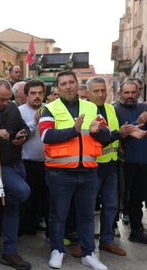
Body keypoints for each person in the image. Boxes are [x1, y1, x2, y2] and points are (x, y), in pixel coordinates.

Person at [39, 70, 110, 270]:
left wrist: (100, 130)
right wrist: (74, 131)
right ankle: (57, 250)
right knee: (58, 215)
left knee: (87, 215)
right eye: (63, 84)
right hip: (60, 172)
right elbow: (46, 135)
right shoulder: (50, 109)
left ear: (78, 84)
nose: (68, 86)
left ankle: (89, 254)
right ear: (57, 88)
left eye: (71, 82)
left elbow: (104, 135)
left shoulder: (90, 107)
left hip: (88, 171)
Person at [87, 76, 136, 256]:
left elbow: (116, 135)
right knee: (87, 207)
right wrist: (118, 134)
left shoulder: (110, 109)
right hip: (91, 167)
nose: (100, 94)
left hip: (110, 166)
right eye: (96, 91)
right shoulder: (85, 110)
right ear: (89, 92)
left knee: (111, 205)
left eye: (103, 90)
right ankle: (83, 242)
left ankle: (107, 241)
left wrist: (129, 132)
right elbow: (99, 137)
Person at [0, 78, 32, 270]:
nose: (5, 103)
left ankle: (9, 251)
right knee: (22, 192)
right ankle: (9, 249)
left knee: (12, 207)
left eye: (8, 99)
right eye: (1, 99)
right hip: (0, 166)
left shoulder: (12, 108)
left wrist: (22, 135)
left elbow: (24, 128)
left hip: (17, 163)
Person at [114, 79, 147, 244]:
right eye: (126, 93)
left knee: (137, 199)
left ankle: (136, 231)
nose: (130, 96)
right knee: (115, 198)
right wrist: (138, 123)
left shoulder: (144, 107)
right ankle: (111, 230)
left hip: (142, 162)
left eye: (133, 92)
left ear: (138, 93)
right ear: (119, 93)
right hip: (123, 163)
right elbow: (117, 134)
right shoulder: (114, 110)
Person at [18, 79, 49, 236]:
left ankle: (37, 222)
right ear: (26, 96)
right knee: (27, 197)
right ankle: (25, 226)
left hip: (46, 163)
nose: (37, 96)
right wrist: (34, 122)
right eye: (33, 93)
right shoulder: (20, 111)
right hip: (26, 163)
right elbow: (20, 136)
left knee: (43, 198)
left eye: (40, 93)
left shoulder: (49, 110)